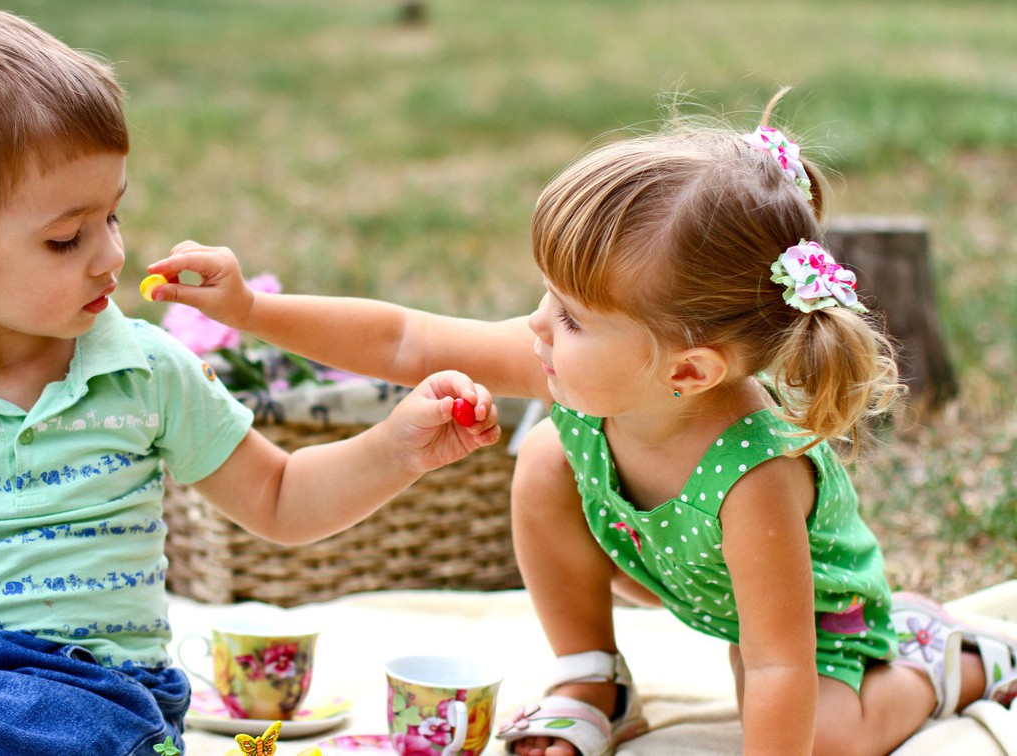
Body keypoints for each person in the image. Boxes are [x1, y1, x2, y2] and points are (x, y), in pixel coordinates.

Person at [145, 91, 1017, 755]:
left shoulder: (755, 476)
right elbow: (405, 338)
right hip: (678, 572)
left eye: (570, 315)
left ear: (688, 371)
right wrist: (252, 311)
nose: (536, 325)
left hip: (812, 625)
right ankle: (591, 678)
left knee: (818, 734)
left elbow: (780, 662)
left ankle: (946, 660)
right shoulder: (582, 370)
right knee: (546, 456)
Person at [0, 6, 501, 754]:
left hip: (88, 692)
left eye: (112, 216)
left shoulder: (142, 373)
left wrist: (397, 448)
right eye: (66, 238)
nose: (112, 256)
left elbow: (279, 497)